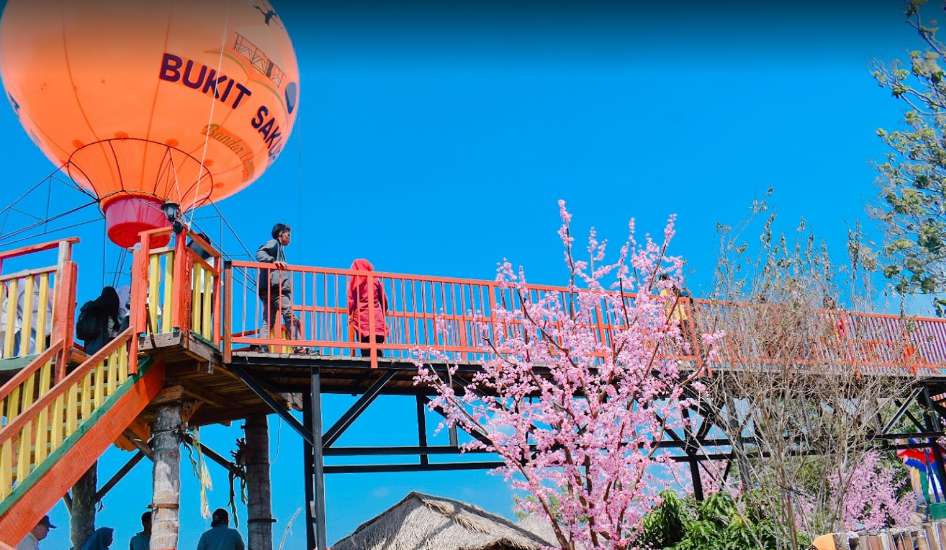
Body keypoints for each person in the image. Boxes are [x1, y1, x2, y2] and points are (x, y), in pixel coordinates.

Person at [255, 223, 302, 352]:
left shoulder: (279, 248)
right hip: (277, 289)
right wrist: (272, 261)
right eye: (288, 234)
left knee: (268, 320)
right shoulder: (274, 244)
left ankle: (262, 345)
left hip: (269, 289)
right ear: (280, 234)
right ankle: (297, 346)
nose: (290, 237)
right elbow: (259, 253)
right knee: (289, 315)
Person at [347, 259, 388, 358]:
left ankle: (370, 367)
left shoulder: (354, 281)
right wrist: (384, 310)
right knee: (377, 349)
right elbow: (384, 299)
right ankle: (378, 364)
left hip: (362, 321)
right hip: (377, 319)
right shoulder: (374, 279)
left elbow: (350, 301)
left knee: (365, 349)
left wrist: (350, 313)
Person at [76, 286, 121, 355]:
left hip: (89, 347)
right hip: (101, 349)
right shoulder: (108, 312)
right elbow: (111, 333)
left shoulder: (92, 307)